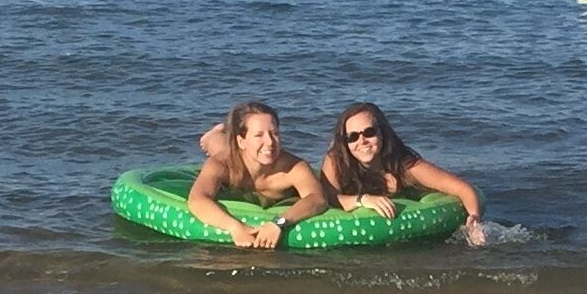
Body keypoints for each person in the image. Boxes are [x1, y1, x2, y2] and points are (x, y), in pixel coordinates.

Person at [189, 101, 330, 249]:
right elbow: (197, 199)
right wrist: (235, 228)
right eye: (259, 135)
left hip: (249, 157)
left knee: (246, 149)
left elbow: (317, 198)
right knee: (218, 147)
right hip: (234, 156)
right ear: (241, 141)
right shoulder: (222, 164)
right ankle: (214, 134)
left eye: (274, 133)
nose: (270, 142)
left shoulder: (293, 168)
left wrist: (279, 223)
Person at [320, 102, 481, 227]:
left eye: (369, 132)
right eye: (352, 137)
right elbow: (328, 198)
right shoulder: (336, 160)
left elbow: (462, 188)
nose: (362, 141)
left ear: (382, 132)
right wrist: (364, 200)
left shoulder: (404, 164)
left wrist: (474, 220)